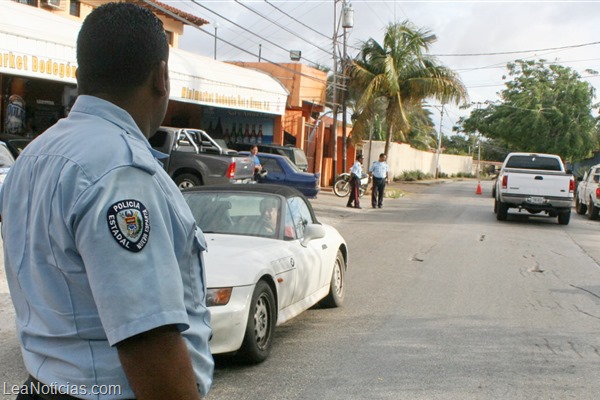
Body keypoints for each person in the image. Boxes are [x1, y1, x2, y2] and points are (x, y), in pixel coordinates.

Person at [0, 3, 213, 400]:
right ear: (161, 77)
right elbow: (149, 342)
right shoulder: (120, 171)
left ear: (80, 78)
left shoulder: (33, 156)